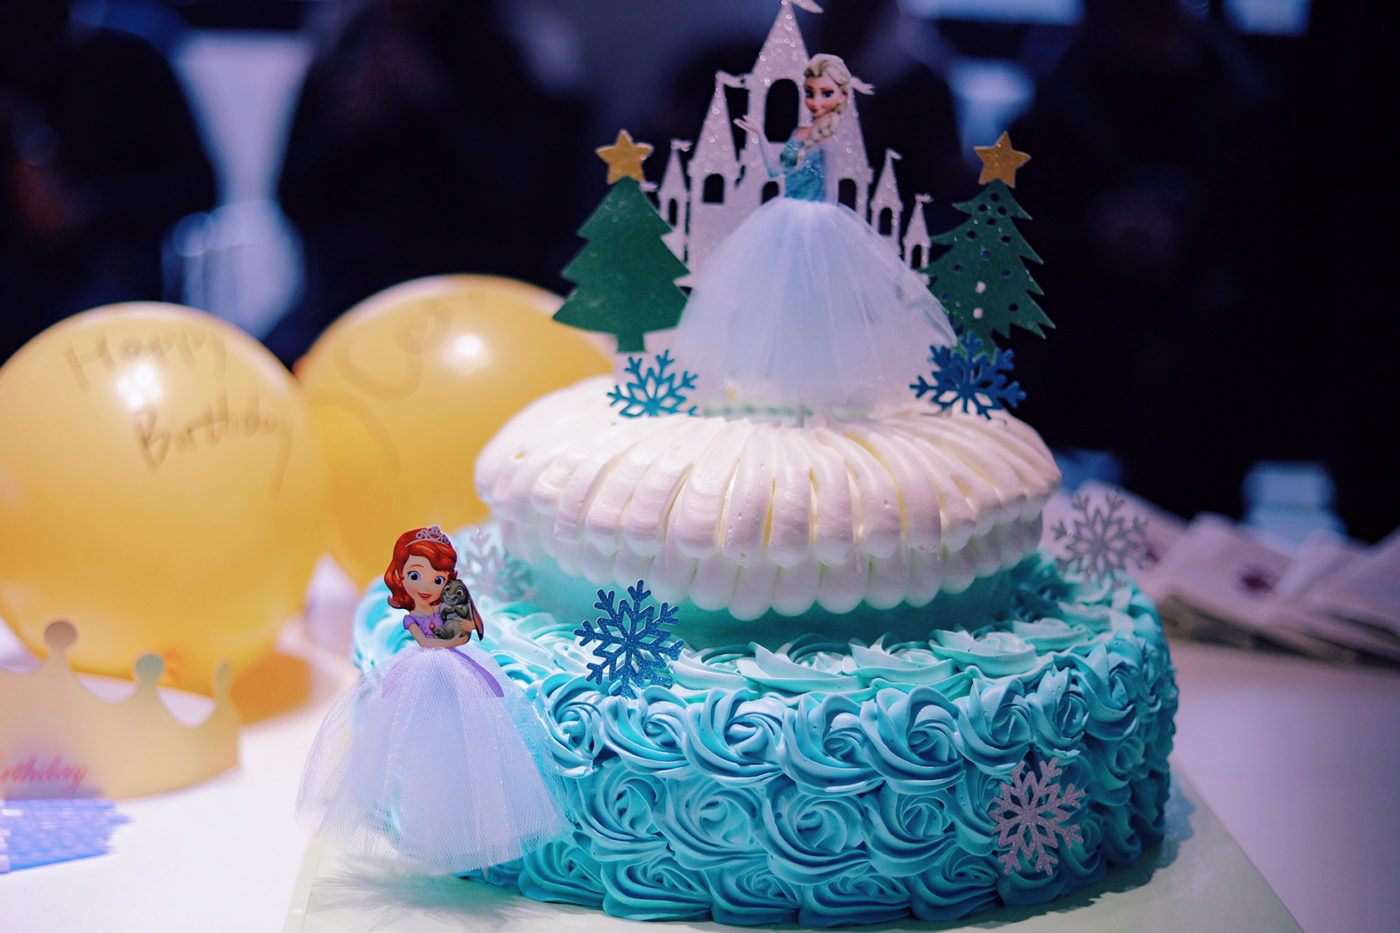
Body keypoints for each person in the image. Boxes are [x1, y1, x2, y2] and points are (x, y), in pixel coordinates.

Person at [671, 53, 956, 414]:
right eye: (811, 93)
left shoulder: (828, 142)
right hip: (786, 215)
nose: (816, 101)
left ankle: (813, 387)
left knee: (815, 299)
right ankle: (779, 381)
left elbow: (832, 187)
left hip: (815, 218)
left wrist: (827, 221)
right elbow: (775, 170)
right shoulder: (797, 134)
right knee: (776, 295)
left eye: (825, 93)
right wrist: (759, 137)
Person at [296, 525, 566, 874]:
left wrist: (458, 620)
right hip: (424, 671)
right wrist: (448, 630)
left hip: (455, 670)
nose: (426, 586)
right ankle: (432, 826)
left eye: (437, 580)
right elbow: (431, 638)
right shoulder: (412, 619)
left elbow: (461, 635)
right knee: (426, 744)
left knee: (474, 737)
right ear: (401, 579)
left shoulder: (450, 608)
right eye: (414, 576)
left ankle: (474, 831)